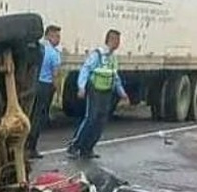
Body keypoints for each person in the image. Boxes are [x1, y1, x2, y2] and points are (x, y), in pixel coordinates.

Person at [66, 29, 129, 159]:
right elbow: (85, 69)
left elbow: (115, 76)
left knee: (101, 121)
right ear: (110, 40)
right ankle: (75, 145)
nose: (118, 43)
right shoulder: (97, 55)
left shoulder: (113, 58)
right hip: (95, 89)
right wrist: (81, 87)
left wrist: (122, 93)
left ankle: (88, 148)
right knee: (91, 118)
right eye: (116, 40)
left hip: (107, 91)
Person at [26, 24, 62, 159]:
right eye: (56, 36)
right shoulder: (54, 53)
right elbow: (56, 75)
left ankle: (22, 145)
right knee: (38, 118)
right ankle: (31, 148)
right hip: (45, 87)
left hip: (32, 85)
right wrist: (58, 92)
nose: (58, 39)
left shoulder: (37, 49)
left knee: (29, 115)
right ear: (49, 36)